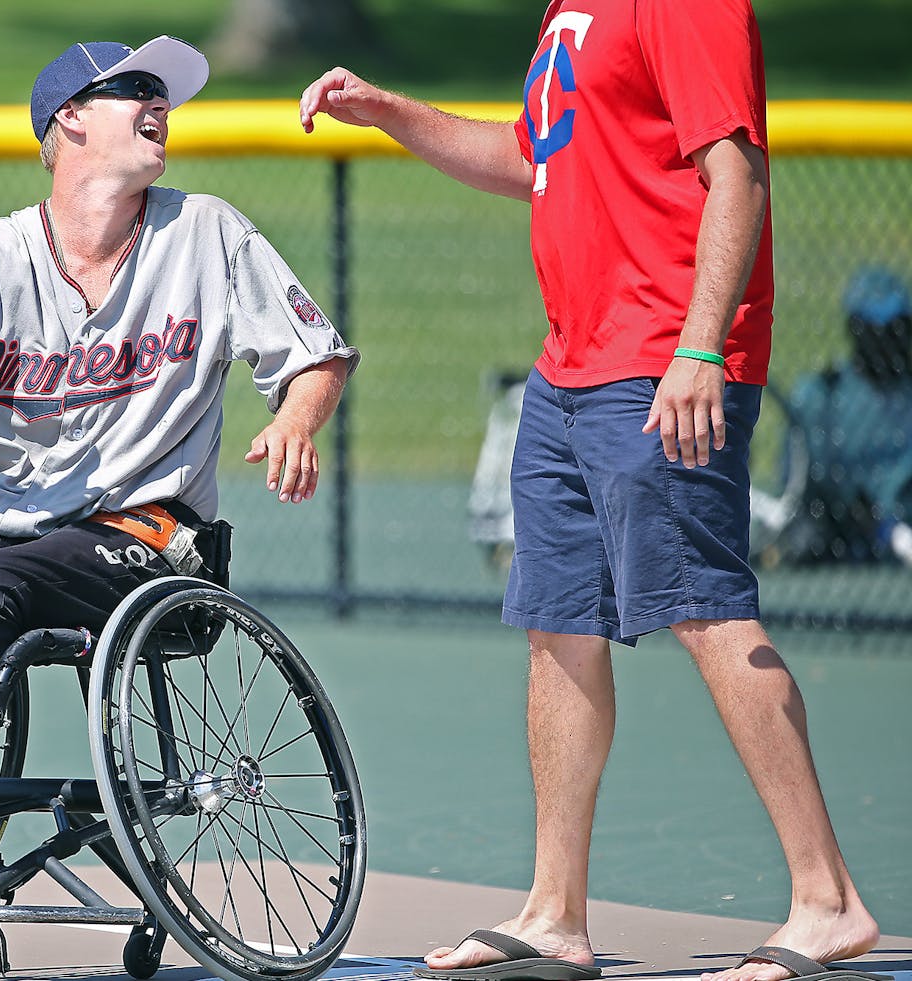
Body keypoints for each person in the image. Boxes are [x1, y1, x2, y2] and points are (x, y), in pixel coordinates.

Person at [298, 3, 882, 981]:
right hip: (568, 370)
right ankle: (553, 911)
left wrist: (699, 346)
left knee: (704, 609)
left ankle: (824, 899)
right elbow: (531, 156)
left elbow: (734, 172)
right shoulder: (569, 9)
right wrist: (389, 111)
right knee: (555, 622)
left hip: (658, 361)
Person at [0, 34, 357, 963]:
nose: (161, 106)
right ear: (67, 118)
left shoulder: (206, 232)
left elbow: (316, 354)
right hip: (4, 526)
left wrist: (295, 421)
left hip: (148, 533)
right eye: (135, 92)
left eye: (167, 96)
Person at [772, 267, 912, 565]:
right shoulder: (821, 396)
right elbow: (798, 488)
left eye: (898, 327)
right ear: (856, 329)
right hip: (836, 545)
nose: (889, 340)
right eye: (877, 330)